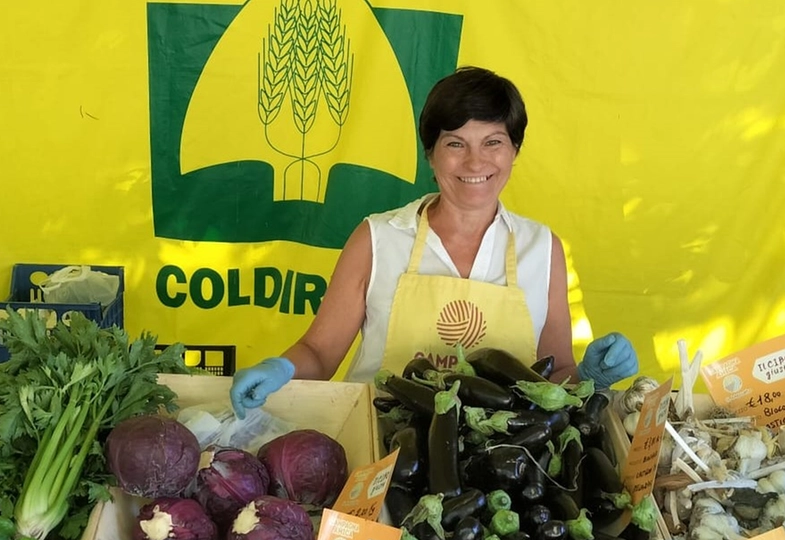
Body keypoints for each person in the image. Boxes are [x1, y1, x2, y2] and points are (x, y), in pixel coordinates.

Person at [231, 67, 638, 416]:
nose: (475, 163)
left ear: (515, 149)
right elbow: (320, 354)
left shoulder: (541, 248)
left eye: (493, 142)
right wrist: (280, 368)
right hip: (380, 445)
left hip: (499, 461)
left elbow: (554, 375)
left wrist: (588, 376)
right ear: (430, 154)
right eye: (455, 144)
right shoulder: (379, 238)